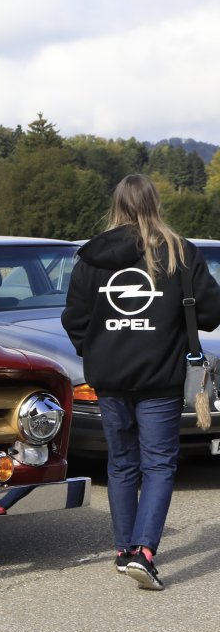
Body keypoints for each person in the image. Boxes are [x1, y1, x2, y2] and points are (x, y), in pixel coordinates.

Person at [62, 174, 220, 590]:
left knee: (121, 462)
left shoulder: (92, 255)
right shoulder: (179, 252)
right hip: (160, 376)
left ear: (116, 205)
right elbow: (210, 313)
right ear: (154, 204)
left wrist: (97, 352)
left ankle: (123, 550)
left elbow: (74, 318)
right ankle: (144, 552)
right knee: (159, 463)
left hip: (109, 377)